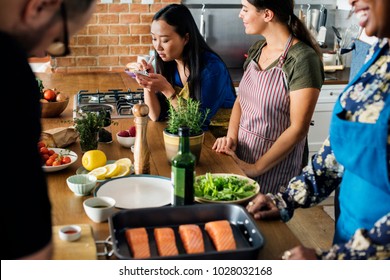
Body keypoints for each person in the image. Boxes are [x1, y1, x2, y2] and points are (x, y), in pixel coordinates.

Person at [246, 0, 390, 260]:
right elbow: (338, 150)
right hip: (348, 236)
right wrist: (286, 199)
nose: (351, 1)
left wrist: (332, 261)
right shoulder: (378, 56)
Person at [1, 0, 97, 260]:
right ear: (41, 5)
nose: (46, 49)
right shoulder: (7, 66)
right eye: (57, 39)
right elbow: (26, 231)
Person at [212, 0, 324, 194]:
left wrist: (256, 167)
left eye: (245, 9)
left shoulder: (302, 60)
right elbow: (241, 100)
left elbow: (298, 128)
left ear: (267, 15)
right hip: (241, 157)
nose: (240, 14)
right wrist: (231, 139)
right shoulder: (258, 49)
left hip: (274, 167)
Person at [133, 4, 236, 128]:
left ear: (186, 38)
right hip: (187, 136)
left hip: (218, 140)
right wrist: (147, 83)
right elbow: (156, 115)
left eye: (165, 40)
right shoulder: (170, 63)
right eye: (154, 38)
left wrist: (167, 90)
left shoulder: (212, 68)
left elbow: (197, 123)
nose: (158, 47)